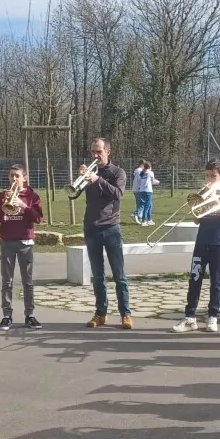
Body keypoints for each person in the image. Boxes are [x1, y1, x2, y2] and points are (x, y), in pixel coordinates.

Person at [171, 159, 220, 333]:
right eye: (207, 176)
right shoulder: (203, 191)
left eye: (213, 176)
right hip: (201, 242)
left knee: (216, 282)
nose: (210, 179)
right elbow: (196, 220)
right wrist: (198, 209)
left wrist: (215, 201)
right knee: (195, 279)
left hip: (218, 243)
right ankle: (190, 317)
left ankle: (213, 316)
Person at [82, 138, 132, 329]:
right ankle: (100, 313)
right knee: (98, 275)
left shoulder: (118, 172)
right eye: (93, 152)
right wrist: (82, 179)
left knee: (119, 275)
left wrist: (98, 180)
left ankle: (125, 314)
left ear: (108, 152)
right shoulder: (90, 172)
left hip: (111, 227)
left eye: (99, 152)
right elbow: (73, 193)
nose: (95, 155)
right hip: (91, 227)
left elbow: (118, 194)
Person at [0, 164, 44, 331]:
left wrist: (23, 205)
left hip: (25, 242)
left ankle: (30, 315)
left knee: (27, 282)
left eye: (17, 176)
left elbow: (38, 219)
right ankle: (7, 316)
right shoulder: (2, 195)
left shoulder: (32, 196)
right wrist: (3, 207)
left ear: (25, 178)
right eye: (11, 176)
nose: (14, 179)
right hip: (7, 241)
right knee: (7, 281)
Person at [132, 160, 159, 226]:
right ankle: (144, 220)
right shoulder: (150, 173)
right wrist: (158, 182)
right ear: (150, 167)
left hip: (142, 190)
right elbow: (152, 182)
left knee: (149, 205)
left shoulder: (142, 173)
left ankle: (149, 219)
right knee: (147, 205)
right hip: (148, 191)